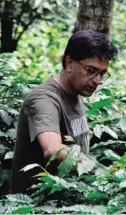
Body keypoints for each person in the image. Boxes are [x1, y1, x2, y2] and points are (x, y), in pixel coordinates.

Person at [11, 30, 118, 194]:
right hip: (36, 206)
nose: (97, 80)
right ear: (69, 63)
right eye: (91, 70)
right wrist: (101, 171)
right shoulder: (44, 99)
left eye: (102, 74)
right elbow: (52, 149)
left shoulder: (76, 92)